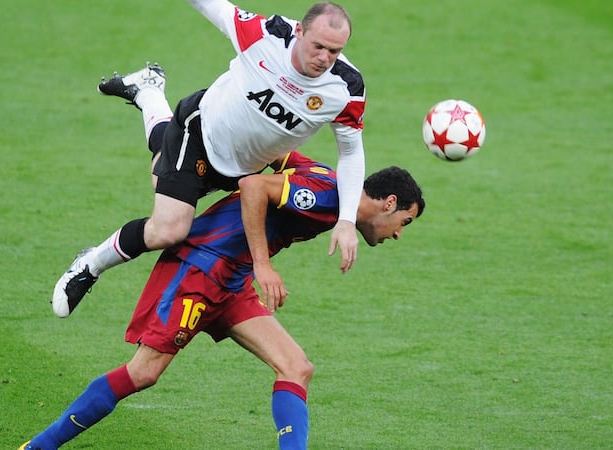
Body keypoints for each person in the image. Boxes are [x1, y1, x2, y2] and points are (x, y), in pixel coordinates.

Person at [22, 151, 425, 449]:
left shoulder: (324, 180)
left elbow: (277, 154)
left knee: (296, 367)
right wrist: (264, 267)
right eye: (403, 222)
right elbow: (254, 187)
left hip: (231, 280)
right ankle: (38, 446)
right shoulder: (323, 195)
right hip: (198, 270)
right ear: (389, 203)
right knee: (143, 373)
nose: (397, 233)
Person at [52, 0, 369, 315]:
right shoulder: (265, 35)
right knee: (169, 229)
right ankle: (89, 265)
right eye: (319, 46)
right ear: (299, 31)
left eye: (335, 51)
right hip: (199, 131)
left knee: (159, 173)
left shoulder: (346, 88)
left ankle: (147, 91)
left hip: (241, 166)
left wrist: (346, 221)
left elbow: (351, 153)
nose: (325, 58)